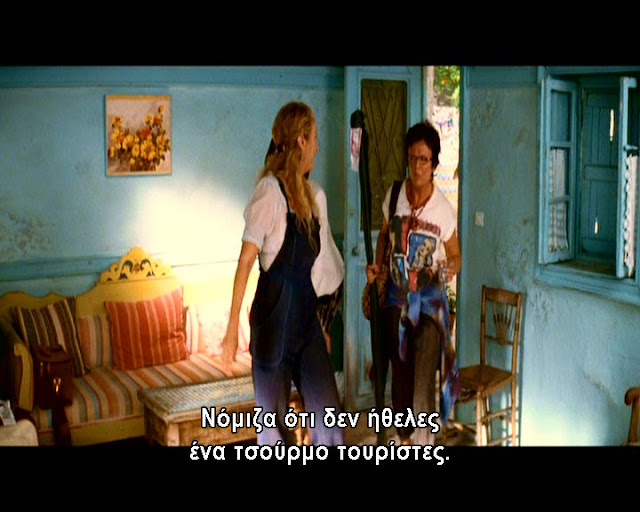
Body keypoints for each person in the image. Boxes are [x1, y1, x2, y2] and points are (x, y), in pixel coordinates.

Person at [221, 101, 344, 446]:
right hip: (273, 327)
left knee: (330, 421)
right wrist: (231, 330)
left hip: (306, 325)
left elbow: (313, 270)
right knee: (273, 432)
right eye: (314, 138)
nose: (317, 146)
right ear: (301, 141)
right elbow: (246, 262)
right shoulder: (269, 192)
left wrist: (320, 325)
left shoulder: (309, 195)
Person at [366, 120, 461, 445]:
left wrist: (450, 268)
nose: (417, 166)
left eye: (424, 159)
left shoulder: (443, 210)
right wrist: (377, 266)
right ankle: (404, 438)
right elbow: (383, 235)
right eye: (412, 158)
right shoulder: (395, 196)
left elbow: (456, 255)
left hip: (430, 305)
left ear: (434, 164)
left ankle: (422, 443)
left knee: (422, 378)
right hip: (396, 299)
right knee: (400, 371)